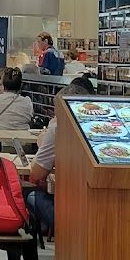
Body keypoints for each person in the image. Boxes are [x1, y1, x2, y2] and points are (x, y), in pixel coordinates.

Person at [27, 77, 97, 236]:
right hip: (102, 209)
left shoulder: (58, 126)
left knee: (30, 195)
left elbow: (36, 174)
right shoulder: (101, 126)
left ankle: (33, 256)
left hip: (71, 214)